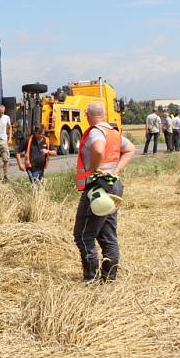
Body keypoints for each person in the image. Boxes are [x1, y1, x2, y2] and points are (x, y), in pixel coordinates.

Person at [73, 102, 135, 282]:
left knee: (83, 235)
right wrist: (116, 170)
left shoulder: (95, 132)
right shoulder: (113, 133)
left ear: (87, 115)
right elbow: (130, 149)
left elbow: (98, 149)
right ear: (105, 114)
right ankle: (109, 278)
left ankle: (90, 279)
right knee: (107, 234)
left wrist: (93, 170)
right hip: (113, 184)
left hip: (98, 187)